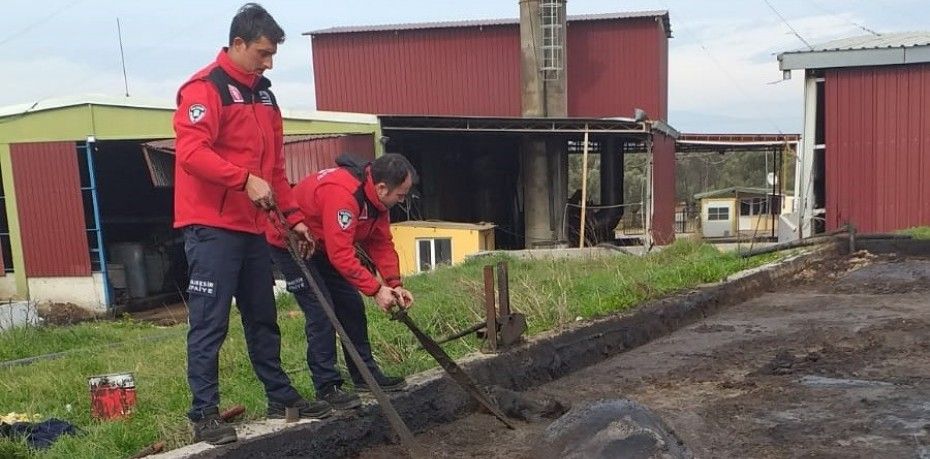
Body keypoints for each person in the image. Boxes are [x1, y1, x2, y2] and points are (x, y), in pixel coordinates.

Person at [173, 3, 331, 445]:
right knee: (210, 323)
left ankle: (280, 397)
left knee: (264, 317)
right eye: (263, 52)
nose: (269, 61)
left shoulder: (265, 95)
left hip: (256, 227)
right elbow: (191, 154)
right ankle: (204, 413)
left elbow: (275, 170)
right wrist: (243, 180)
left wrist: (294, 218)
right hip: (211, 227)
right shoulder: (205, 90)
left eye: (273, 53)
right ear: (238, 43)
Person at [267, 153, 416, 410]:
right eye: (400, 196)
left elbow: (380, 242)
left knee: (351, 306)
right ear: (382, 188)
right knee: (322, 310)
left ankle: (364, 376)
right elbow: (341, 254)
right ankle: (327, 386)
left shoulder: (377, 202)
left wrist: (394, 283)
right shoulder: (343, 195)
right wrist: (375, 289)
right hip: (291, 242)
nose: (401, 201)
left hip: (323, 243)